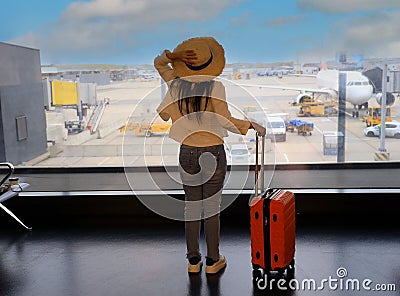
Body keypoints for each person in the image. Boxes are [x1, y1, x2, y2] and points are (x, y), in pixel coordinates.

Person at [154, 37, 266, 274]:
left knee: (192, 208)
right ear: (211, 64)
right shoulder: (216, 87)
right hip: (213, 153)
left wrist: (170, 58)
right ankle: (213, 261)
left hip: (187, 153)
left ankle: (193, 262)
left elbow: (159, 64)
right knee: (211, 209)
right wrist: (250, 125)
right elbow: (224, 120)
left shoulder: (176, 84)